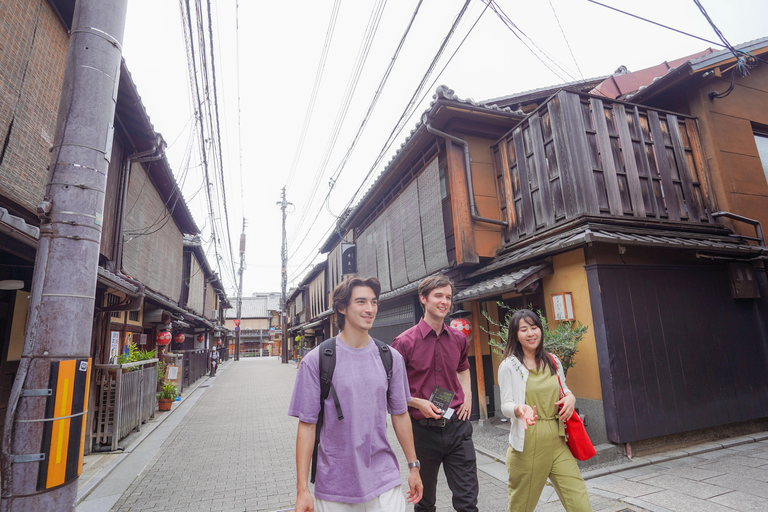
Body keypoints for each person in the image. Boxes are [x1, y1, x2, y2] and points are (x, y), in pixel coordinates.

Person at [289, 276, 423, 512]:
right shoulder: (316, 361)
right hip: (334, 486)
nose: (370, 309)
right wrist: (302, 490)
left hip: (384, 480)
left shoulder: (391, 358)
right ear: (342, 307)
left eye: (374, 302)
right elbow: (307, 426)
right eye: (361, 302)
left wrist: (413, 467)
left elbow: (401, 415)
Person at [391, 275, 478, 512]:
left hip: (456, 427)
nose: (444, 301)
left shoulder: (459, 339)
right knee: (425, 504)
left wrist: (467, 396)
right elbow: (391, 391)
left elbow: (463, 368)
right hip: (421, 432)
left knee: (468, 502)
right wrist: (417, 402)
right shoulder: (403, 343)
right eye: (438, 295)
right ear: (423, 299)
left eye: (448, 297)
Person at [498, 309, 592, 512]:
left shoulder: (552, 360)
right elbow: (505, 405)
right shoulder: (509, 365)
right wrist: (519, 409)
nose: (531, 333)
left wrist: (571, 398)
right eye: (524, 329)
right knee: (521, 506)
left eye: (534, 327)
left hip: (558, 440)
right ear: (516, 335)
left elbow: (564, 390)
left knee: (579, 501)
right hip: (528, 441)